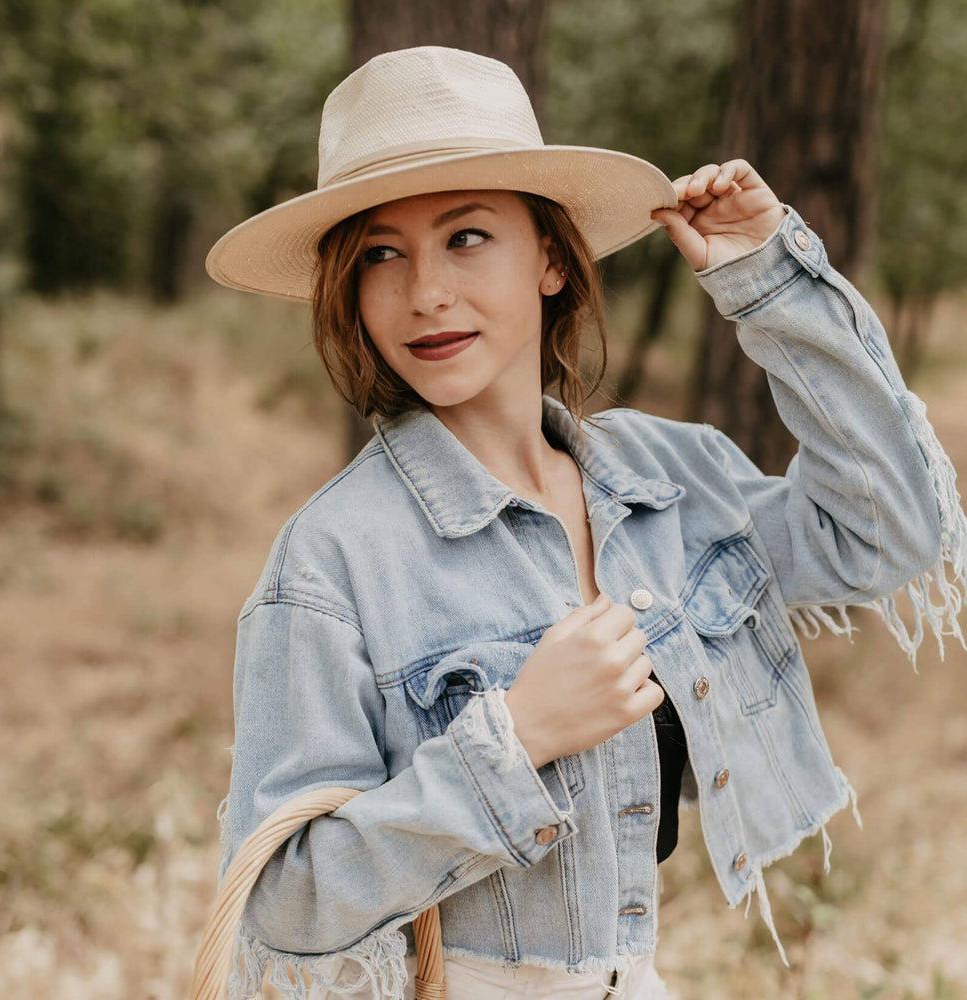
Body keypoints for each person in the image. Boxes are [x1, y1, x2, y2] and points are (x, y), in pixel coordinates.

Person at [204, 46, 967, 1000]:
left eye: (468, 237)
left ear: (553, 259)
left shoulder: (666, 481)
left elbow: (890, 529)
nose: (426, 293)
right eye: (380, 255)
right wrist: (513, 739)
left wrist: (772, 288)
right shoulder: (332, 559)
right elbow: (280, 901)